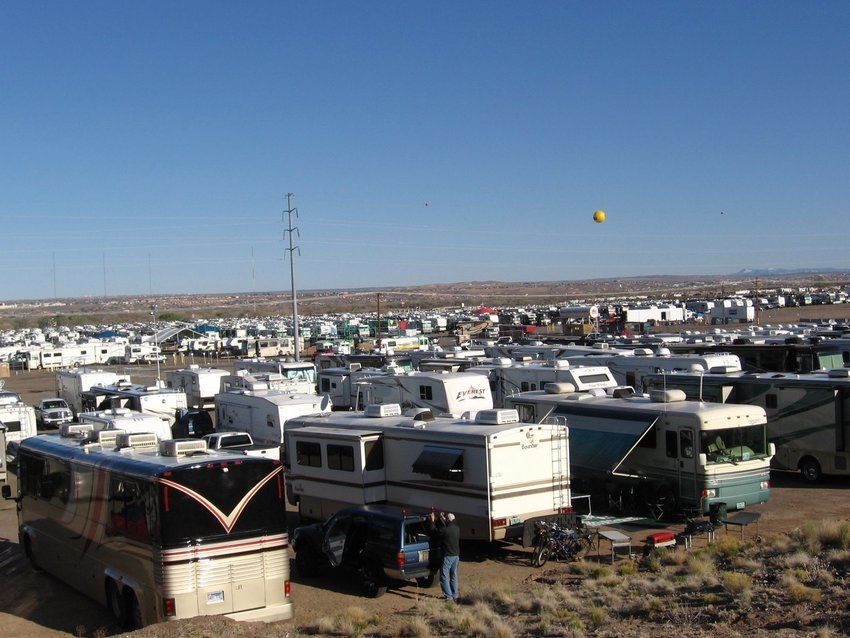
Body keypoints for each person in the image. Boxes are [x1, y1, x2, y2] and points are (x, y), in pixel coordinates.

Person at [428, 510, 460, 601]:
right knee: (453, 575)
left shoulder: (444, 530)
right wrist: (443, 518)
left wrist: (432, 521)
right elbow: (445, 527)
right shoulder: (457, 529)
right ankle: (454, 595)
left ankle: (448, 597)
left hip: (447, 556)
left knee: (444, 576)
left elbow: (434, 532)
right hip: (456, 556)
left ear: (447, 521)